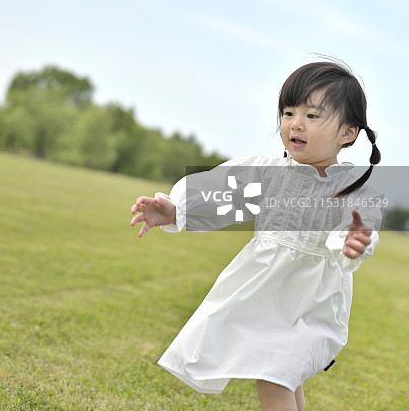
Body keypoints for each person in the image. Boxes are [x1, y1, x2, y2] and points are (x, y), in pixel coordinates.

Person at [130, 61, 382, 411]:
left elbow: (361, 223)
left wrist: (354, 241)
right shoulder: (269, 174)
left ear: (348, 132)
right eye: (289, 112)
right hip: (263, 292)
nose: (295, 123)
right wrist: (177, 209)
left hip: (313, 302)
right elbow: (224, 192)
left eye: (312, 115)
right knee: (281, 373)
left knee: (277, 374)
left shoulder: (351, 185)